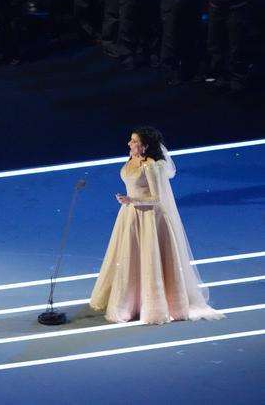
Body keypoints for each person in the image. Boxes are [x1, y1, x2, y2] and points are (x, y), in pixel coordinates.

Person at [89, 127, 224, 324]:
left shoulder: (150, 166)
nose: (129, 143)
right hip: (130, 215)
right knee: (130, 256)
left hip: (149, 218)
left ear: (144, 146)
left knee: (149, 259)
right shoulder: (131, 159)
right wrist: (129, 201)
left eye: (134, 141)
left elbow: (156, 198)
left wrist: (131, 200)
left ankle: (152, 304)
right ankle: (130, 301)